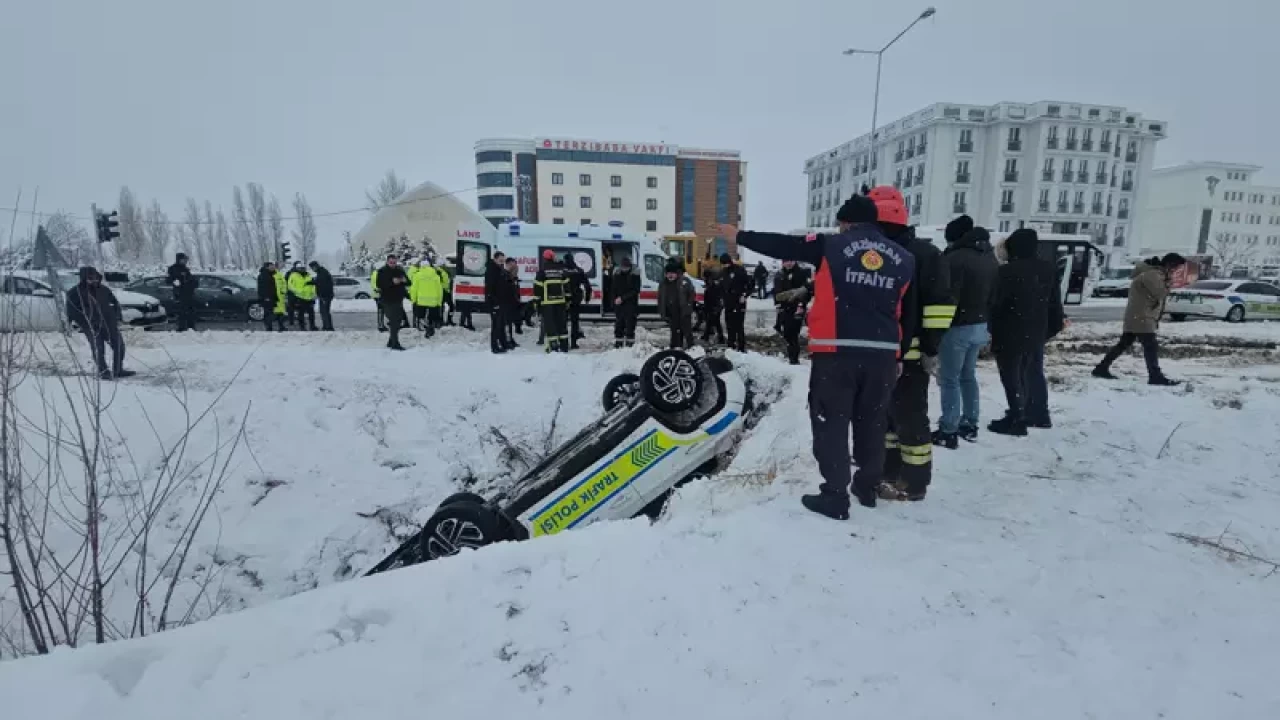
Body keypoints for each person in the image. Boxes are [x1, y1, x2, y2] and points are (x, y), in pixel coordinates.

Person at [717, 192, 918, 520]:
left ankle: (835, 496)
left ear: (846, 222)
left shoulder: (831, 246)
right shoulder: (904, 258)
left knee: (831, 421)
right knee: (872, 422)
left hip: (836, 352)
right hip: (882, 355)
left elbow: (784, 246)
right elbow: (906, 310)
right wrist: (898, 354)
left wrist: (739, 236)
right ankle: (866, 487)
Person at [864, 187, 954, 503]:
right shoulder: (883, 254)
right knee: (886, 416)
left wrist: (928, 346)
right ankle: (889, 471)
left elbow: (941, 307)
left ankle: (915, 481)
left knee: (911, 418)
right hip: (885, 353)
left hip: (909, 355)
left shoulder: (922, 255)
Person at [988, 229, 1066, 436]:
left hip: (1010, 331)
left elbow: (996, 305)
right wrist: (1049, 330)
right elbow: (1054, 304)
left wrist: (992, 329)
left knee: (1011, 375)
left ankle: (1017, 418)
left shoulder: (1007, 272)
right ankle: (1039, 413)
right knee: (1034, 372)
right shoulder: (1047, 269)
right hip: (1037, 331)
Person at [933, 216, 999, 448]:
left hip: (957, 326)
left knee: (949, 378)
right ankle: (970, 423)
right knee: (968, 376)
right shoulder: (990, 257)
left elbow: (948, 295)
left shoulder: (955, 259)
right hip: (980, 325)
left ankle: (948, 428)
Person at [1092, 253, 1186, 386]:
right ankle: (1155, 376)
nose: (1176, 271)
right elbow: (1160, 293)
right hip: (1142, 316)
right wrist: (1169, 280)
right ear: (1170, 265)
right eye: (1177, 268)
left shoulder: (1154, 274)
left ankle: (1101, 368)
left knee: (1124, 343)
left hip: (1140, 315)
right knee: (1150, 345)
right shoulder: (1152, 275)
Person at [65, 267, 134, 380]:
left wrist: (117, 317)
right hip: (91, 326)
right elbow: (72, 311)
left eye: (96, 278)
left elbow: (114, 303)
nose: (94, 280)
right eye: (90, 278)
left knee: (119, 345)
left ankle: (118, 370)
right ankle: (103, 371)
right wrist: (84, 322)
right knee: (98, 348)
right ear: (83, 278)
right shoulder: (74, 292)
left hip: (109, 323)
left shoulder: (104, 290)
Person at [772, 259, 813, 365]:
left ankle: (794, 360)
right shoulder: (780, 274)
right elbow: (776, 291)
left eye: (791, 261)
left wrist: (801, 304)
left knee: (793, 333)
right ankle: (791, 355)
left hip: (797, 308)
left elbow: (807, 291)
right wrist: (777, 304)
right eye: (786, 261)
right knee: (786, 332)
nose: (788, 264)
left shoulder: (801, 273)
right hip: (784, 308)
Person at [534, 249, 570, 353]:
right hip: (560, 302)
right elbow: (567, 286)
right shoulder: (561, 270)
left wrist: (537, 303)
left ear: (544, 258)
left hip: (547, 303)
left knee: (551, 325)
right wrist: (567, 300)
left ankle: (553, 347)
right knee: (562, 324)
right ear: (553, 257)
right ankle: (564, 346)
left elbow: (537, 288)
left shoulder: (542, 271)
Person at [658, 257, 696, 350]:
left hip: (683, 311)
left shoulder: (684, 281)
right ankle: (674, 347)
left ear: (676, 274)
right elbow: (660, 298)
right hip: (672, 312)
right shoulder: (663, 284)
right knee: (674, 331)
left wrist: (688, 305)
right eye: (668, 273)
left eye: (672, 273)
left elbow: (691, 293)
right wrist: (662, 310)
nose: (670, 275)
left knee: (687, 331)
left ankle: (692, 349)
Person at [375, 254, 410, 350]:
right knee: (394, 321)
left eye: (394, 262)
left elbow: (409, 282)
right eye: (391, 262)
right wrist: (392, 282)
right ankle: (395, 343)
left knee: (397, 321)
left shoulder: (399, 270)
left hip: (398, 299)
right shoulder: (382, 271)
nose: (393, 264)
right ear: (387, 262)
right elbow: (379, 284)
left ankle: (391, 341)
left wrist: (403, 280)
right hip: (387, 299)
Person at [719, 253, 751, 352]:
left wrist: (744, 295)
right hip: (728, 303)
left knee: (739, 325)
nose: (725, 266)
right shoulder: (723, 272)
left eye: (726, 263)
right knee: (729, 325)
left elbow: (750, 284)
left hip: (739, 302)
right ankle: (731, 344)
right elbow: (722, 286)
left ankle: (741, 346)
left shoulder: (739, 270)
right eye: (723, 264)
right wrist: (721, 298)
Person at [612, 255, 641, 348]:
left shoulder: (635, 275)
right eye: (623, 267)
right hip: (619, 306)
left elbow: (635, 290)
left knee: (630, 326)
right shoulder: (617, 275)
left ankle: (630, 345)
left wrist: (622, 298)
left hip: (631, 305)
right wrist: (614, 301)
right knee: (619, 325)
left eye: (626, 267)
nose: (624, 269)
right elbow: (613, 289)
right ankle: (618, 344)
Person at [564, 254, 591, 349]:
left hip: (563, 299)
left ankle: (564, 343)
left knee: (563, 321)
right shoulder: (579, 270)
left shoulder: (562, 271)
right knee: (574, 321)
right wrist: (587, 297)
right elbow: (587, 285)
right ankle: (574, 343)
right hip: (576, 298)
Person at [485, 251, 509, 353]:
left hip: (502, 301)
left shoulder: (500, 269)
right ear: (495, 259)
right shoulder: (491, 270)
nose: (502, 262)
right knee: (496, 325)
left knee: (502, 324)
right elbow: (490, 288)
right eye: (500, 260)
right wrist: (494, 303)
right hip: (495, 302)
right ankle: (494, 347)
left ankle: (503, 343)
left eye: (503, 260)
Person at [166, 252, 196, 331]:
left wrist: (194, 282)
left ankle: (191, 328)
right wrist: (175, 281)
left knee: (191, 311)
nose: (185, 261)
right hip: (180, 293)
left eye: (186, 260)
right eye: (184, 259)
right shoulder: (173, 268)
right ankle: (181, 328)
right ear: (179, 259)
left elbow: (190, 279)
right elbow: (168, 279)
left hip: (189, 293)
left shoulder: (186, 269)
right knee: (182, 311)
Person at [419, 259, 446, 338]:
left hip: (421, 300)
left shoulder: (417, 275)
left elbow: (414, 289)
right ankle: (430, 327)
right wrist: (439, 301)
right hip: (433, 300)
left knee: (422, 315)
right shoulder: (436, 276)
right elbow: (439, 290)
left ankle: (425, 327)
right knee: (432, 315)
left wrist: (414, 299)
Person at [700, 263, 725, 344]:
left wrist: (715, 307)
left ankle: (720, 337)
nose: (703, 278)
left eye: (704, 277)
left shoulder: (712, 284)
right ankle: (707, 335)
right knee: (711, 321)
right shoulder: (711, 282)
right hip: (713, 305)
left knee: (714, 321)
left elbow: (713, 295)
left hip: (714, 306)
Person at [256, 262, 286, 332]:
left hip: (275, 297)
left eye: (273, 266)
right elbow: (262, 288)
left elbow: (279, 284)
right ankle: (269, 328)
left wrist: (282, 292)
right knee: (268, 313)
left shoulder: (273, 274)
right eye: (271, 266)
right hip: (267, 298)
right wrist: (265, 297)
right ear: (267, 267)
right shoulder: (263, 275)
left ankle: (281, 326)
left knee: (278, 313)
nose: (273, 267)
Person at [288, 263, 318, 330]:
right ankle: (302, 327)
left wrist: (313, 293)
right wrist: (297, 291)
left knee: (311, 313)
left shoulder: (308, 275)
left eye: (303, 268)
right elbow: (290, 286)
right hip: (300, 297)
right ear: (297, 269)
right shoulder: (293, 275)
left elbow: (313, 285)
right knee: (301, 313)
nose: (302, 269)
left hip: (309, 297)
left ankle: (312, 326)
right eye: (300, 268)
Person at [309, 261, 335, 331]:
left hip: (325, 296)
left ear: (315, 266)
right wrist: (311, 282)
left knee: (324, 312)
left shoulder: (322, 273)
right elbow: (319, 282)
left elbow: (322, 285)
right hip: (326, 295)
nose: (312, 270)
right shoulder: (322, 272)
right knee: (324, 311)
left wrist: (322, 296)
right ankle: (327, 326)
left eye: (312, 268)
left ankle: (328, 327)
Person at [503, 257, 522, 348]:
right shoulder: (505, 276)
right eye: (514, 267)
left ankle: (510, 339)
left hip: (512, 304)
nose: (516, 269)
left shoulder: (513, 278)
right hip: (506, 304)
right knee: (506, 324)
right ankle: (507, 340)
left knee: (510, 323)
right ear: (509, 264)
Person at [409, 259, 430, 330]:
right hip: (418, 294)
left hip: (417, 294)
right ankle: (416, 324)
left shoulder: (415, 271)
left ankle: (416, 324)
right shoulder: (415, 272)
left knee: (418, 310)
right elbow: (413, 284)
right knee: (418, 310)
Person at [371, 264, 387, 332]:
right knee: (381, 311)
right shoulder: (376, 274)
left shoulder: (376, 273)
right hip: (379, 295)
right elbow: (375, 286)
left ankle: (381, 325)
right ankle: (380, 326)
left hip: (378, 295)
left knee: (382, 311)